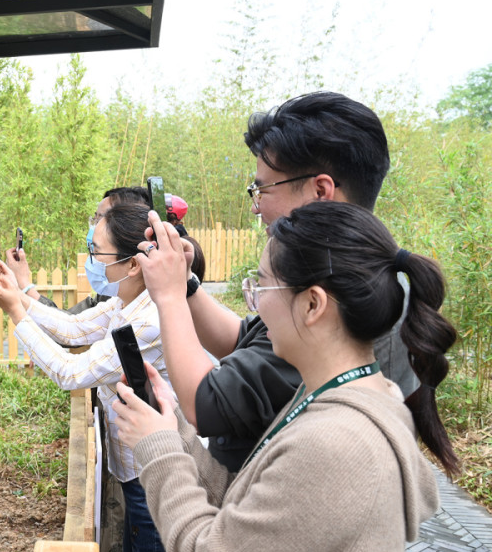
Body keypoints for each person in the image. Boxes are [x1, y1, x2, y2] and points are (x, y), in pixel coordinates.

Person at [112, 201, 453, 552]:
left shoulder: (336, 444)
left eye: (262, 285)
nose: (254, 304)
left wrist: (157, 451)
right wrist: (172, 429)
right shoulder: (333, 398)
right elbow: (245, 505)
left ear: (313, 304)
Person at [140, 91, 418, 471]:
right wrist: (186, 285)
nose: (255, 206)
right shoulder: (347, 270)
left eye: (262, 189)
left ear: (320, 191)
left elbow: (206, 404)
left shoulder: (335, 295)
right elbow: (244, 339)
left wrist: (169, 297)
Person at [0, 203, 189, 552]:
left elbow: (71, 372)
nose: (91, 260)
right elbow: (72, 328)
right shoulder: (128, 300)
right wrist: (21, 292)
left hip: (157, 473)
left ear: (134, 262)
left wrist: (16, 311)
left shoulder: (148, 319)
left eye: (98, 252)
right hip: (136, 468)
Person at [5, 186, 151, 311]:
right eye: (95, 219)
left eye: (102, 219)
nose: (96, 226)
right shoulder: (115, 299)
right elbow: (70, 326)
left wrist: (17, 296)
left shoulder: (146, 317)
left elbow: (66, 333)